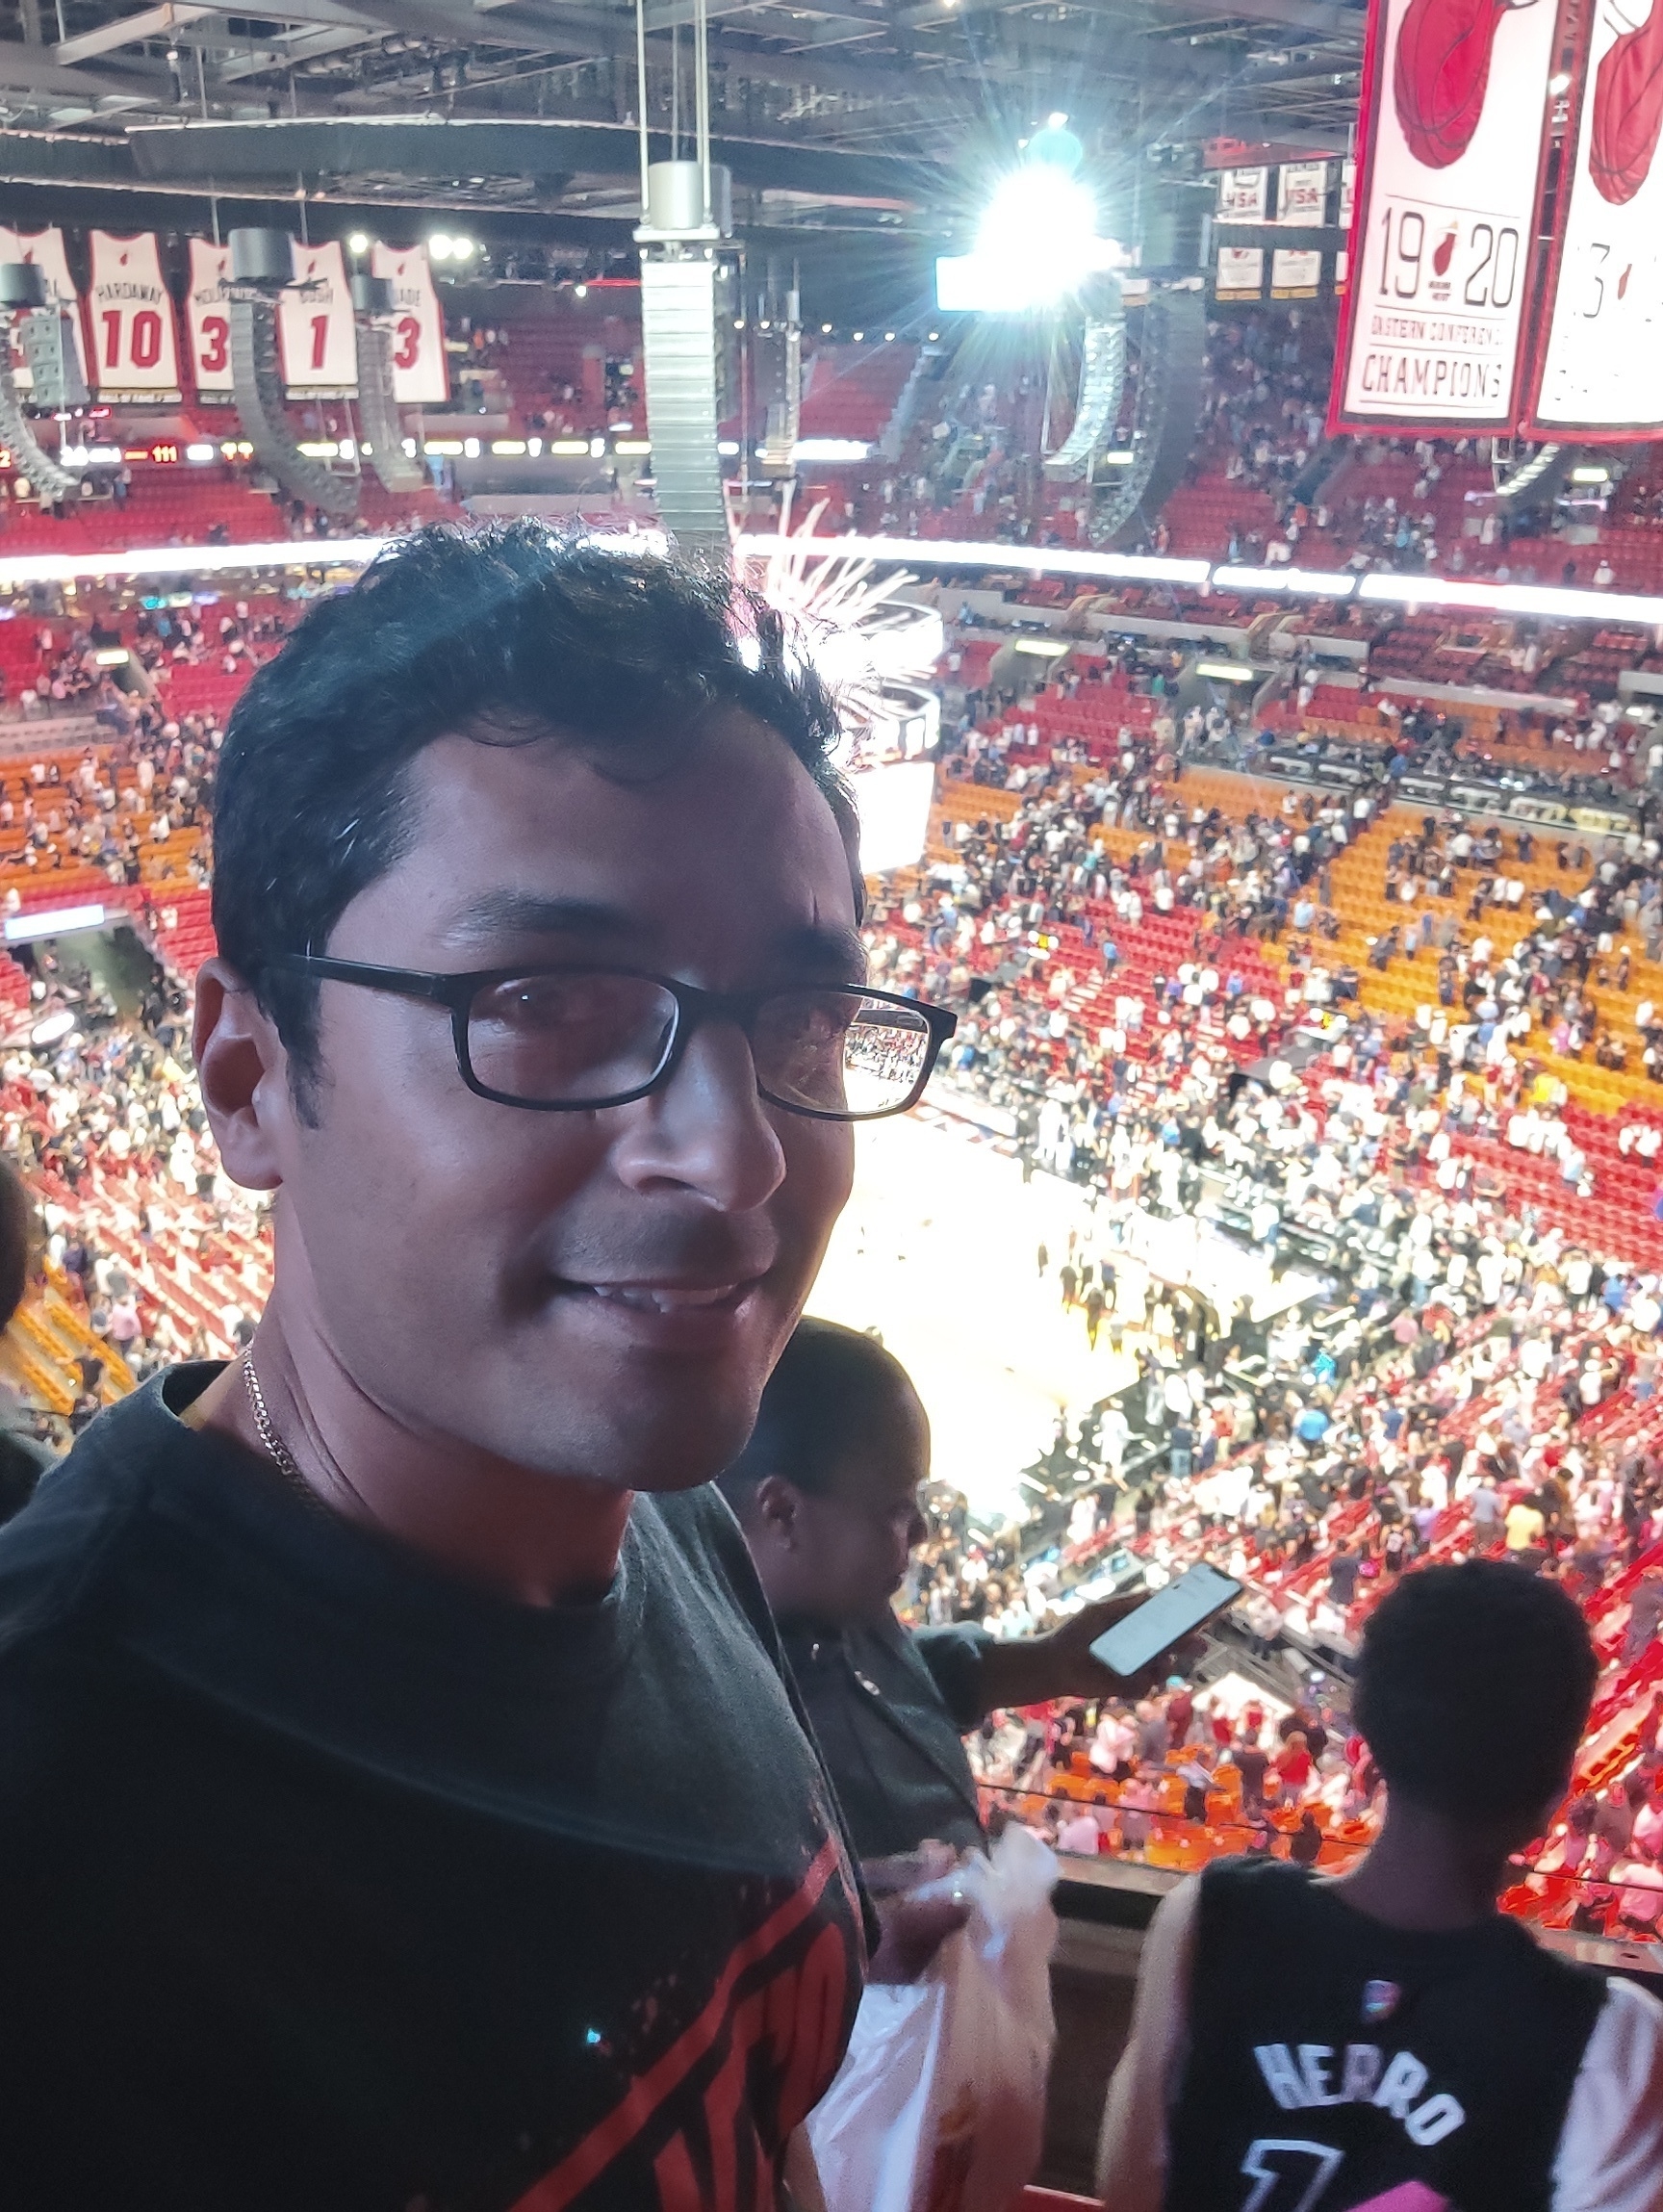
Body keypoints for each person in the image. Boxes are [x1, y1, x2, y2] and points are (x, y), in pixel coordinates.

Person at [0, 525, 966, 2207]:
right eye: (546, 1002)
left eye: (802, 1022)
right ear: (248, 1077)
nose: (733, 1154)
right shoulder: (52, 1845)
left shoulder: (668, 1518)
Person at [1098, 1561, 1663, 2212]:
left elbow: (1128, 2188)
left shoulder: (1210, 1916)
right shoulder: (1611, 2040)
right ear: (1555, 1794)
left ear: (1365, 1737)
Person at [721, 1317, 1194, 1862]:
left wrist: (1050, 1662)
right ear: (782, 1512)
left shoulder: (841, 1607)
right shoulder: (719, 1736)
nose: (922, 1531)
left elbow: (894, 1676)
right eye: (896, 1509)